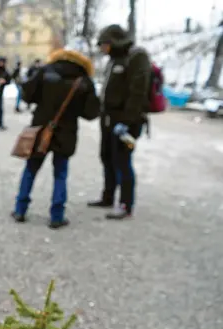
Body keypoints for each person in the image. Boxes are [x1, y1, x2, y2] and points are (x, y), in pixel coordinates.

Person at [12, 46, 100, 229]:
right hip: (66, 133)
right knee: (60, 174)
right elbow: (91, 113)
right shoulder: (84, 80)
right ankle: (56, 215)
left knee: (31, 169)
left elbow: (28, 95)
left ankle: (20, 209)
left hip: (41, 129)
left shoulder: (45, 72)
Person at [87, 24, 151, 220]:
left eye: (103, 44)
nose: (101, 49)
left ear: (113, 42)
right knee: (106, 156)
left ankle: (125, 204)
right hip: (108, 119)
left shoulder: (136, 57)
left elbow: (138, 92)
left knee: (122, 161)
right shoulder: (113, 60)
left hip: (126, 122)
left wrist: (127, 120)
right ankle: (107, 196)